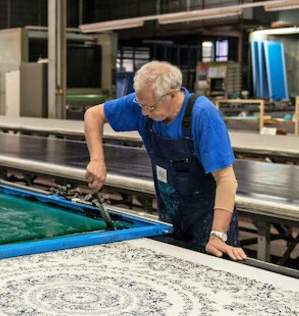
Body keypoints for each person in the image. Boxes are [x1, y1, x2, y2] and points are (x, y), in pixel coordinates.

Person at [84, 61, 246, 261]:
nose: (144, 112)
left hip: (210, 223)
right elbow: (93, 115)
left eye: (150, 106)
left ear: (172, 94)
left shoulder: (203, 115)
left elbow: (226, 180)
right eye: (141, 105)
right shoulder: (142, 104)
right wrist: (97, 159)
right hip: (170, 220)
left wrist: (218, 235)